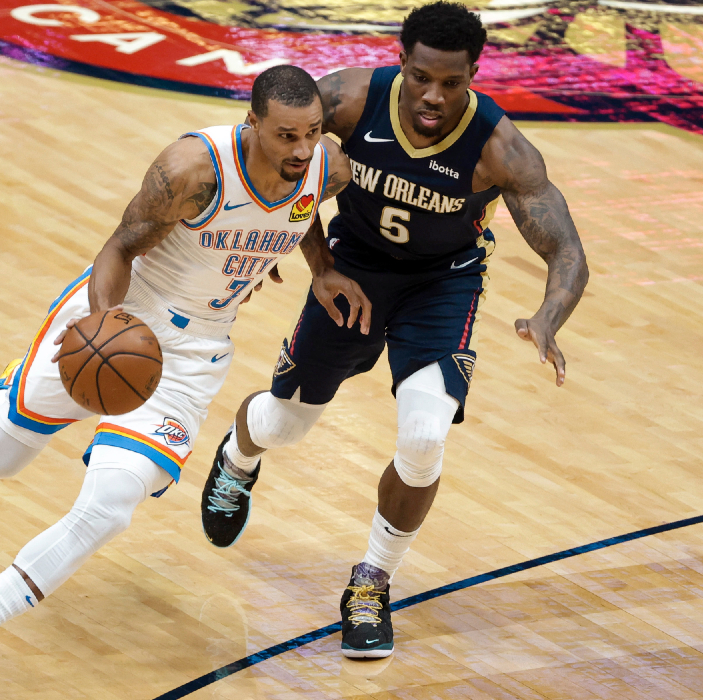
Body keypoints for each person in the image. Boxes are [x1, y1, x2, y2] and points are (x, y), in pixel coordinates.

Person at [0, 65, 354, 700]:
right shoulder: (193, 170)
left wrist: (318, 267)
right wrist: (102, 326)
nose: (301, 150)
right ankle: (14, 392)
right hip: (119, 321)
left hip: (194, 354)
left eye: (311, 133)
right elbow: (118, 249)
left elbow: (301, 212)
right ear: (251, 125)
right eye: (285, 136)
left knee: (111, 505)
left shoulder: (328, 167)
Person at [199, 1, 589, 660]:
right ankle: (238, 457)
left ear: (474, 75)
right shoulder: (347, 101)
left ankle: (372, 582)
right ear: (400, 62)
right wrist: (310, 261)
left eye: (452, 83)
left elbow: (568, 251)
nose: (433, 96)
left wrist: (549, 315)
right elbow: (266, 162)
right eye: (421, 78)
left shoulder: (500, 148)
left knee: (424, 436)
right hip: (350, 266)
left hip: (442, 284)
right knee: (287, 424)